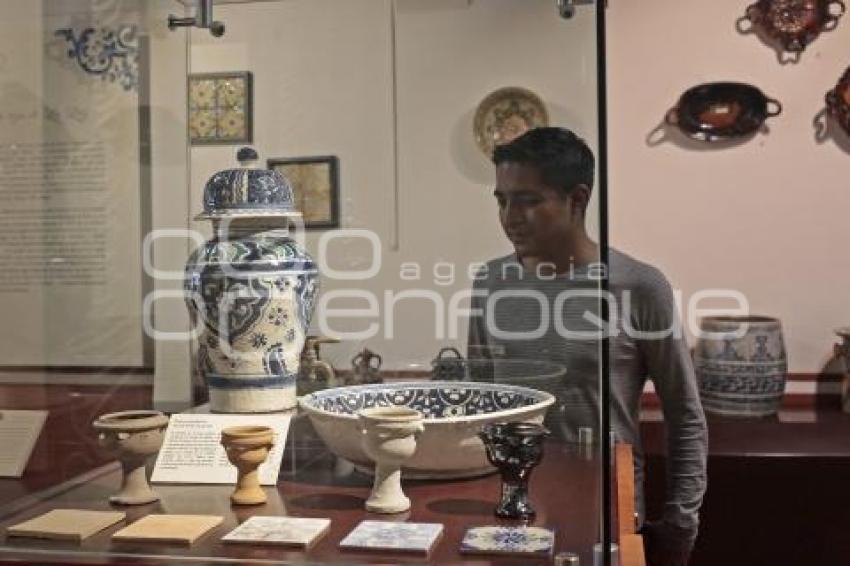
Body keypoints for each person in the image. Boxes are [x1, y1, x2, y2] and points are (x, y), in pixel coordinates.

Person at [467, 127, 708, 566]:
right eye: (501, 200)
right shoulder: (491, 281)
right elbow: (478, 406)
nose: (510, 216)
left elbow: (685, 414)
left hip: (604, 510)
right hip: (507, 510)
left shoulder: (638, 286)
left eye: (528, 200)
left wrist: (679, 524)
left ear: (577, 200)